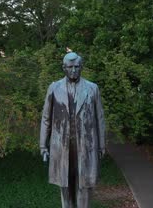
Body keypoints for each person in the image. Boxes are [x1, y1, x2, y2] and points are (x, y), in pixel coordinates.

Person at [39, 52, 106, 208]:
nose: (74, 70)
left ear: (81, 67)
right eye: (70, 67)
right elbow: (46, 118)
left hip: (86, 147)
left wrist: (102, 145)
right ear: (64, 68)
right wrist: (43, 145)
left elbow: (100, 119)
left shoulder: (92, 88)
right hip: (62, 148)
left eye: (77, 67)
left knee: (84, 187)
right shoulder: (54, 88)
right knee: (65, 188)